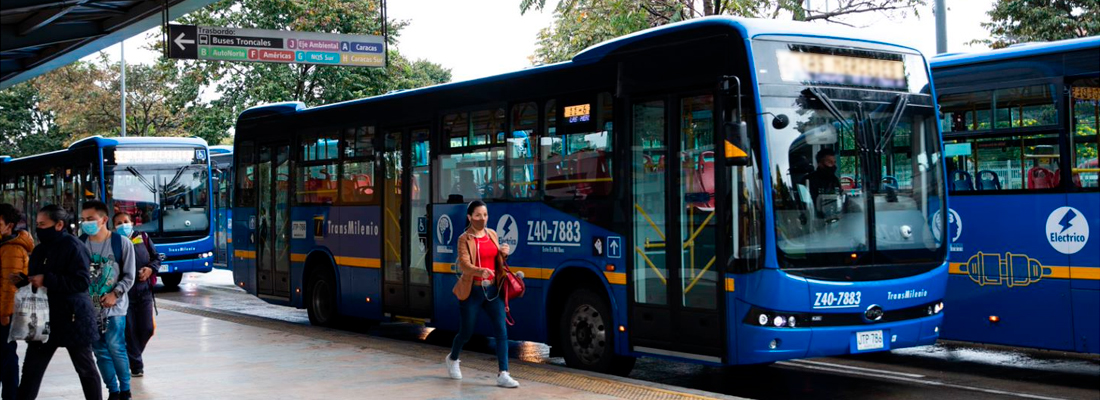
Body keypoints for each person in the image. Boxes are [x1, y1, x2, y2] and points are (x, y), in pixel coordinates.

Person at [16, 205, 103, 400]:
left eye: (43, 224)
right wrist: (26, 282)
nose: (39, 228)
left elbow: (81, 282)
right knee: (31, 370)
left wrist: (47, 279)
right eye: (37, 224)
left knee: (85, 369)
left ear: (59, 224)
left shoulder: (73, 246)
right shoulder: (39, 250)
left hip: (73, 317)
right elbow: (35, 276)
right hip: (43, 318)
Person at [444, 200, 519, 388]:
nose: (482, 219)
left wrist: (504, 253)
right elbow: (464, 264)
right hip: (473, 291)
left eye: (485, 215)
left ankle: (504, 373)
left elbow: (497, 260)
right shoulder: (464, 239)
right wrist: (480, 271)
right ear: (470, 217)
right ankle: (453, 358)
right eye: (478, 215)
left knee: (501, 331)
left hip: (493, 291)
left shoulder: (492, 234)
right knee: (466, 332)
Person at [79, 200, 135, 400]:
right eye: (84, 219)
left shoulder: (121, 243)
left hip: (115, 306)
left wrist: (115, 294)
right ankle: (113, 390)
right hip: (90, 305)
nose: (86, 223)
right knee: (99, 350)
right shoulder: (81, 243)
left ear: (103, 220)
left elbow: (129, 276)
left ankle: (126, 390)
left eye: (91, 219)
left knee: (115, 346)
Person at [112, 212, 157, 379]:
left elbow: (156, 258)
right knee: (129, 330)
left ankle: (132, 357)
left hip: (144, 292)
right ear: (113, 226)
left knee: (147, 329)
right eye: (118, 223)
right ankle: (137, 365)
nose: (123, 225)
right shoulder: (113, 243)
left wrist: (150, 269)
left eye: (125, 221)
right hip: (124, 295)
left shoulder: (143, 237)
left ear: (132, 223)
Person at [1, 204, 33, 400]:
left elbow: (9, 285)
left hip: (5, 312)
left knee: (7, 356)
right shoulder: (4, 244)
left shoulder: (11, 248)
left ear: (9, 225)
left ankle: (11, 396)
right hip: (4, 310)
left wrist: (4, 313)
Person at [805, 148, 842, 217]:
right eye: (829, 162)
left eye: (834, 162)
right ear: (820, 163)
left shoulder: (834, 180)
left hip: (834, 215)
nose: (833, 166)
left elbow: (840, 196)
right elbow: (806, 204)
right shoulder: (809, 180)